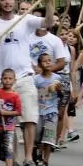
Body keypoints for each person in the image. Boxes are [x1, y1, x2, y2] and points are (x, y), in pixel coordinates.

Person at [0, 0, 55, 166]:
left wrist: (49, 1)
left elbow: (48, 22)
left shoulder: (25, 20)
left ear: (15, 1)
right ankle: (12, 159)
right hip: (1, 80)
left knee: (29, 119)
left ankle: (29, 158)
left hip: (24, 77)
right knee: (8, 123)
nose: (7, 2)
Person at [26, 9, 71, 150]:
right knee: (34, 114)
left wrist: (46, 70)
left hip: (52, 80)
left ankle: (52, 142)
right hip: (32, 80)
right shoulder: (27, 38)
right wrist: (33, 68)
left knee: (57, 113)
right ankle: (36, 143)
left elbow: (61, 62)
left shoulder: (54, 40)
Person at [33, 53, 62, 166]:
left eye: (50, 60)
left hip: (52, 111)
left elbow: (61, 94)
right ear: (40, 64)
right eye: (45, 61)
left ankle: (46, 161)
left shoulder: (57, 78)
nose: (48, 63)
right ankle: (37, 153)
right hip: (39, 111)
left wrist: (59, 90)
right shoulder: (36, 79)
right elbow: (33, 94)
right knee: (37, 137)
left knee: (49, 137)